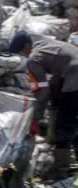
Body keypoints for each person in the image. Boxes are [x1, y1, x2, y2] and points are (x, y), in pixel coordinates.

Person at [9, 30, 78, 175]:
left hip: (75, 75)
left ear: (27, 46)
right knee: (65, 109)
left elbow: (43, 91)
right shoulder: (46, 44)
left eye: (21, 52)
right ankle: (57, 143)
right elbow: (53, 81)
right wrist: (53, 102)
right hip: (71, 69)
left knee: (65, 121)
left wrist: (36, 115)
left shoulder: (33, 58)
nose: (23, 56)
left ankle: (62, 166)